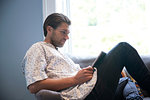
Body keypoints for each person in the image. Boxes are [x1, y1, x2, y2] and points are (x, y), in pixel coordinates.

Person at [22, 13, 150, 100]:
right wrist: (75, 79)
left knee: (125, 80)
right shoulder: (37, 48)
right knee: (123, 48)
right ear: (49, 29)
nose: (67, 37)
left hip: (88, 87)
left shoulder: (58, 52)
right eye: (63, 32)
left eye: (68, 33)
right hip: (86, 94)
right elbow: (34, 86)